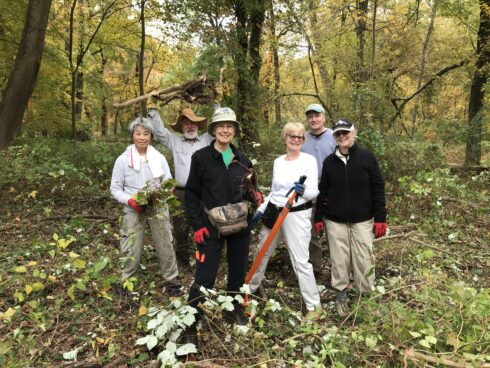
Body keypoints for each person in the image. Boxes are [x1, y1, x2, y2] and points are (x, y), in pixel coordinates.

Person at [183, 107, 260, 345]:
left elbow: (251, 190)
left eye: (229, 126)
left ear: (234, 130)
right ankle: (191, 321)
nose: (225, 130)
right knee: (205, 277)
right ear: (214, 130)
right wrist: (197, 225)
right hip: (210, 226)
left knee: (238, 272)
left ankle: (234, 312)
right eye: (221, 126)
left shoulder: (243, 160)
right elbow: (192, 194)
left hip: (239, 226)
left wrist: (256, 195)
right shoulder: (201, 158)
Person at [314, 119, 387, 317]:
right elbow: (323, 191)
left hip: (363, 219)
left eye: (345, 132)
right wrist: (318, 216)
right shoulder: (329, 162)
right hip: (335, 221)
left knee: (364, 258)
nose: (342, 136)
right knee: (339, 260)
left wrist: (381, 218)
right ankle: (340, 294)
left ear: (353, 133)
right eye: (338, 134)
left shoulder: (366, 157)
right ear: (334, 137)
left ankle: (366, 297)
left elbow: (378, 188)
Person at [249, 122, 322, 320]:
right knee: (261, 252)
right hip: (275, 211)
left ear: (303, 140)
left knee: (300, 260)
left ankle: (314, 306)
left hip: (297, 214)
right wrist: (261, 209)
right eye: (292, 136)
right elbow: (275, 191)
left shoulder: (309, 161)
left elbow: (314, 192)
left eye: (299, 137)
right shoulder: (278, 162)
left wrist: (303, 191)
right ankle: (250, 289)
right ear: (285, 138)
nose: (296, 139)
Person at [110, 117, 182, 295]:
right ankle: (128, 281)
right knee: (131, 243)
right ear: (132, 135)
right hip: (132, 207)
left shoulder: (159, 158)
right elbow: (115, 188)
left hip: (157, 205)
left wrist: (162, 194)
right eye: (138, 133)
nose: (142, 137)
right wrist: (130, 200)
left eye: (146, 133)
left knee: (165, 241)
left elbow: (168, 182)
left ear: (151, 136)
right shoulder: (122, 160)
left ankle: (172, 280)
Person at [147, 97, 213, 269]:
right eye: (185, 123)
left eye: (192, 123)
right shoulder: (175, 141)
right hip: (182, 193)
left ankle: (204, 261)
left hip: (204, 193)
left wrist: (215, 101)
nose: (190, 126)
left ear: (197, 125)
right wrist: (153, 109)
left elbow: (220, 125)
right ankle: (183, 263)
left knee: (205, 225)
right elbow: (160, 132)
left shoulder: (207, 140)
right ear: (181, 127)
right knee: (181, 228)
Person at [301, 103, 336, 277]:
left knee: (333, 230)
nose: (314, 119)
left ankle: (338, 268)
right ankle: (315, 268)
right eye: (310, 116)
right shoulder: (302, 138)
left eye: (317, 115)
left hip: (331, 190)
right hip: (309, 190)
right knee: (311, 231)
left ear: (323, 117)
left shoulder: (334, 136)